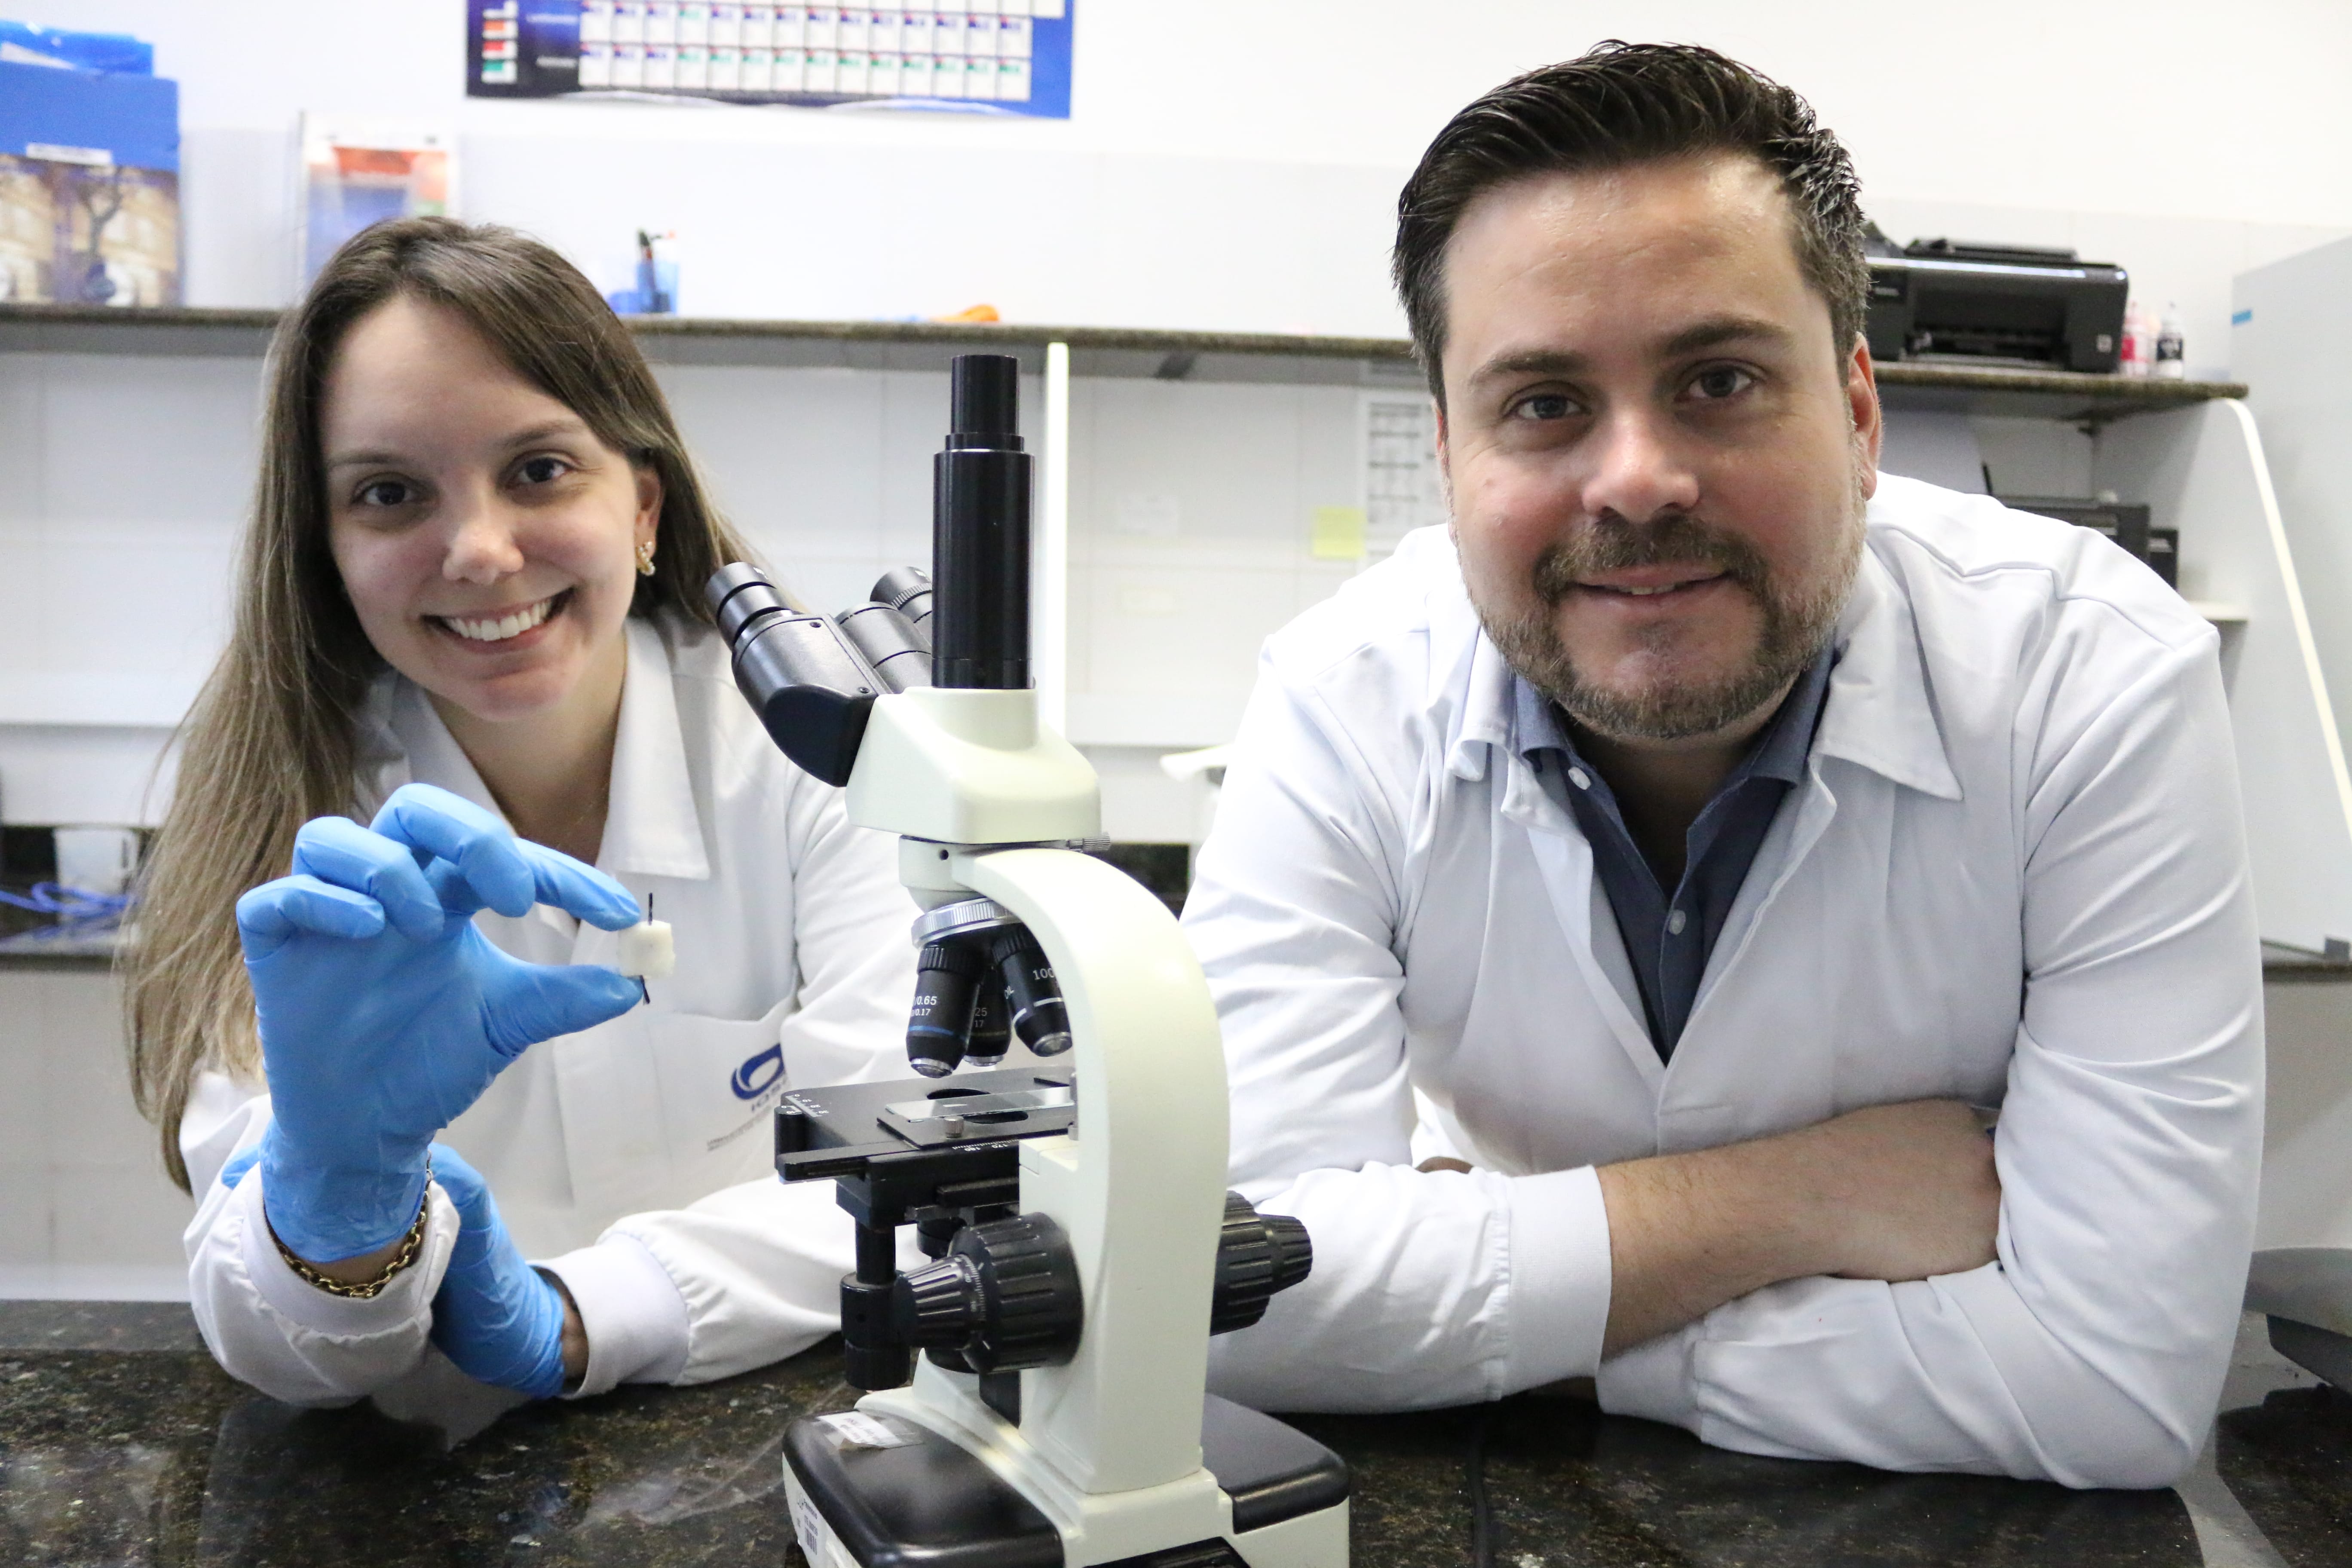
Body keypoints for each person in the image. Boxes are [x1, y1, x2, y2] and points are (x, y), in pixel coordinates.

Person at [1191, 43, 2262, 1488]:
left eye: (1720, 380)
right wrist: (1791, 1202)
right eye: (1544, 404)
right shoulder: (1341, 697)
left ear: (1860, 414)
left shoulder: (2094, 678)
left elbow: (2109, 1384)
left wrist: (1502, 1311)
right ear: (1449, 454)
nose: (1638, 479)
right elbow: (1232, 1302)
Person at [126, 217, 922, 1415]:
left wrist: (579, 1313)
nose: (481, 552)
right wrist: (339, 1185)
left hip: (792, 1431)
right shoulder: (294, 808)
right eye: (389, 493)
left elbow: (917, 1170)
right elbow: (283, 1351)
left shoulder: (818, 752)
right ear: (327, 551)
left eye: (539, 470)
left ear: (643, 507)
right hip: (422, 1465)